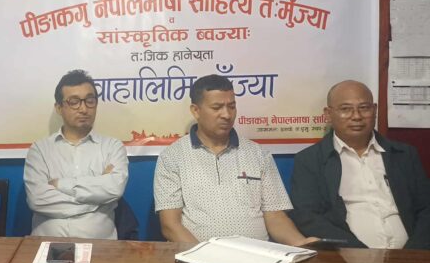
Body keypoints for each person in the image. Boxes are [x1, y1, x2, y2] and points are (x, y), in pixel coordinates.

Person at [154, 74, 316, 246]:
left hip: (256, 256)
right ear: (196, 111)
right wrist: (203, 255)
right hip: (198, 258)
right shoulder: (172, 157)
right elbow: (170, 225)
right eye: (217, 107)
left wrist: (302, 243)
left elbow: (275, 216)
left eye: (231, 107)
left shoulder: (258, 154)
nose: (226, 114)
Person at [290, 80, 430, 249]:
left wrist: (413, 253)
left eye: (364, 108)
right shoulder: (310, 160)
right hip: (349, 257)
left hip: (411, 255)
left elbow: (426, 208)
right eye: (345, 109)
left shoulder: (404, 155)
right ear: (328, 114)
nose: (356, 116)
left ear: (375, 110)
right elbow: (308, 217)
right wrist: (356, 253)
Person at [24, 70, 128, 238]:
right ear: (59, 108)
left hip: (101, 247)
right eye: (74, 102)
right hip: (46, 245)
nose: (83, 109)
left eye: (90, 101)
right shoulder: (40, 150)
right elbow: (37, 199)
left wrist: (61, 185)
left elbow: (114, 188)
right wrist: (97, 200)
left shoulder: (112, 147)